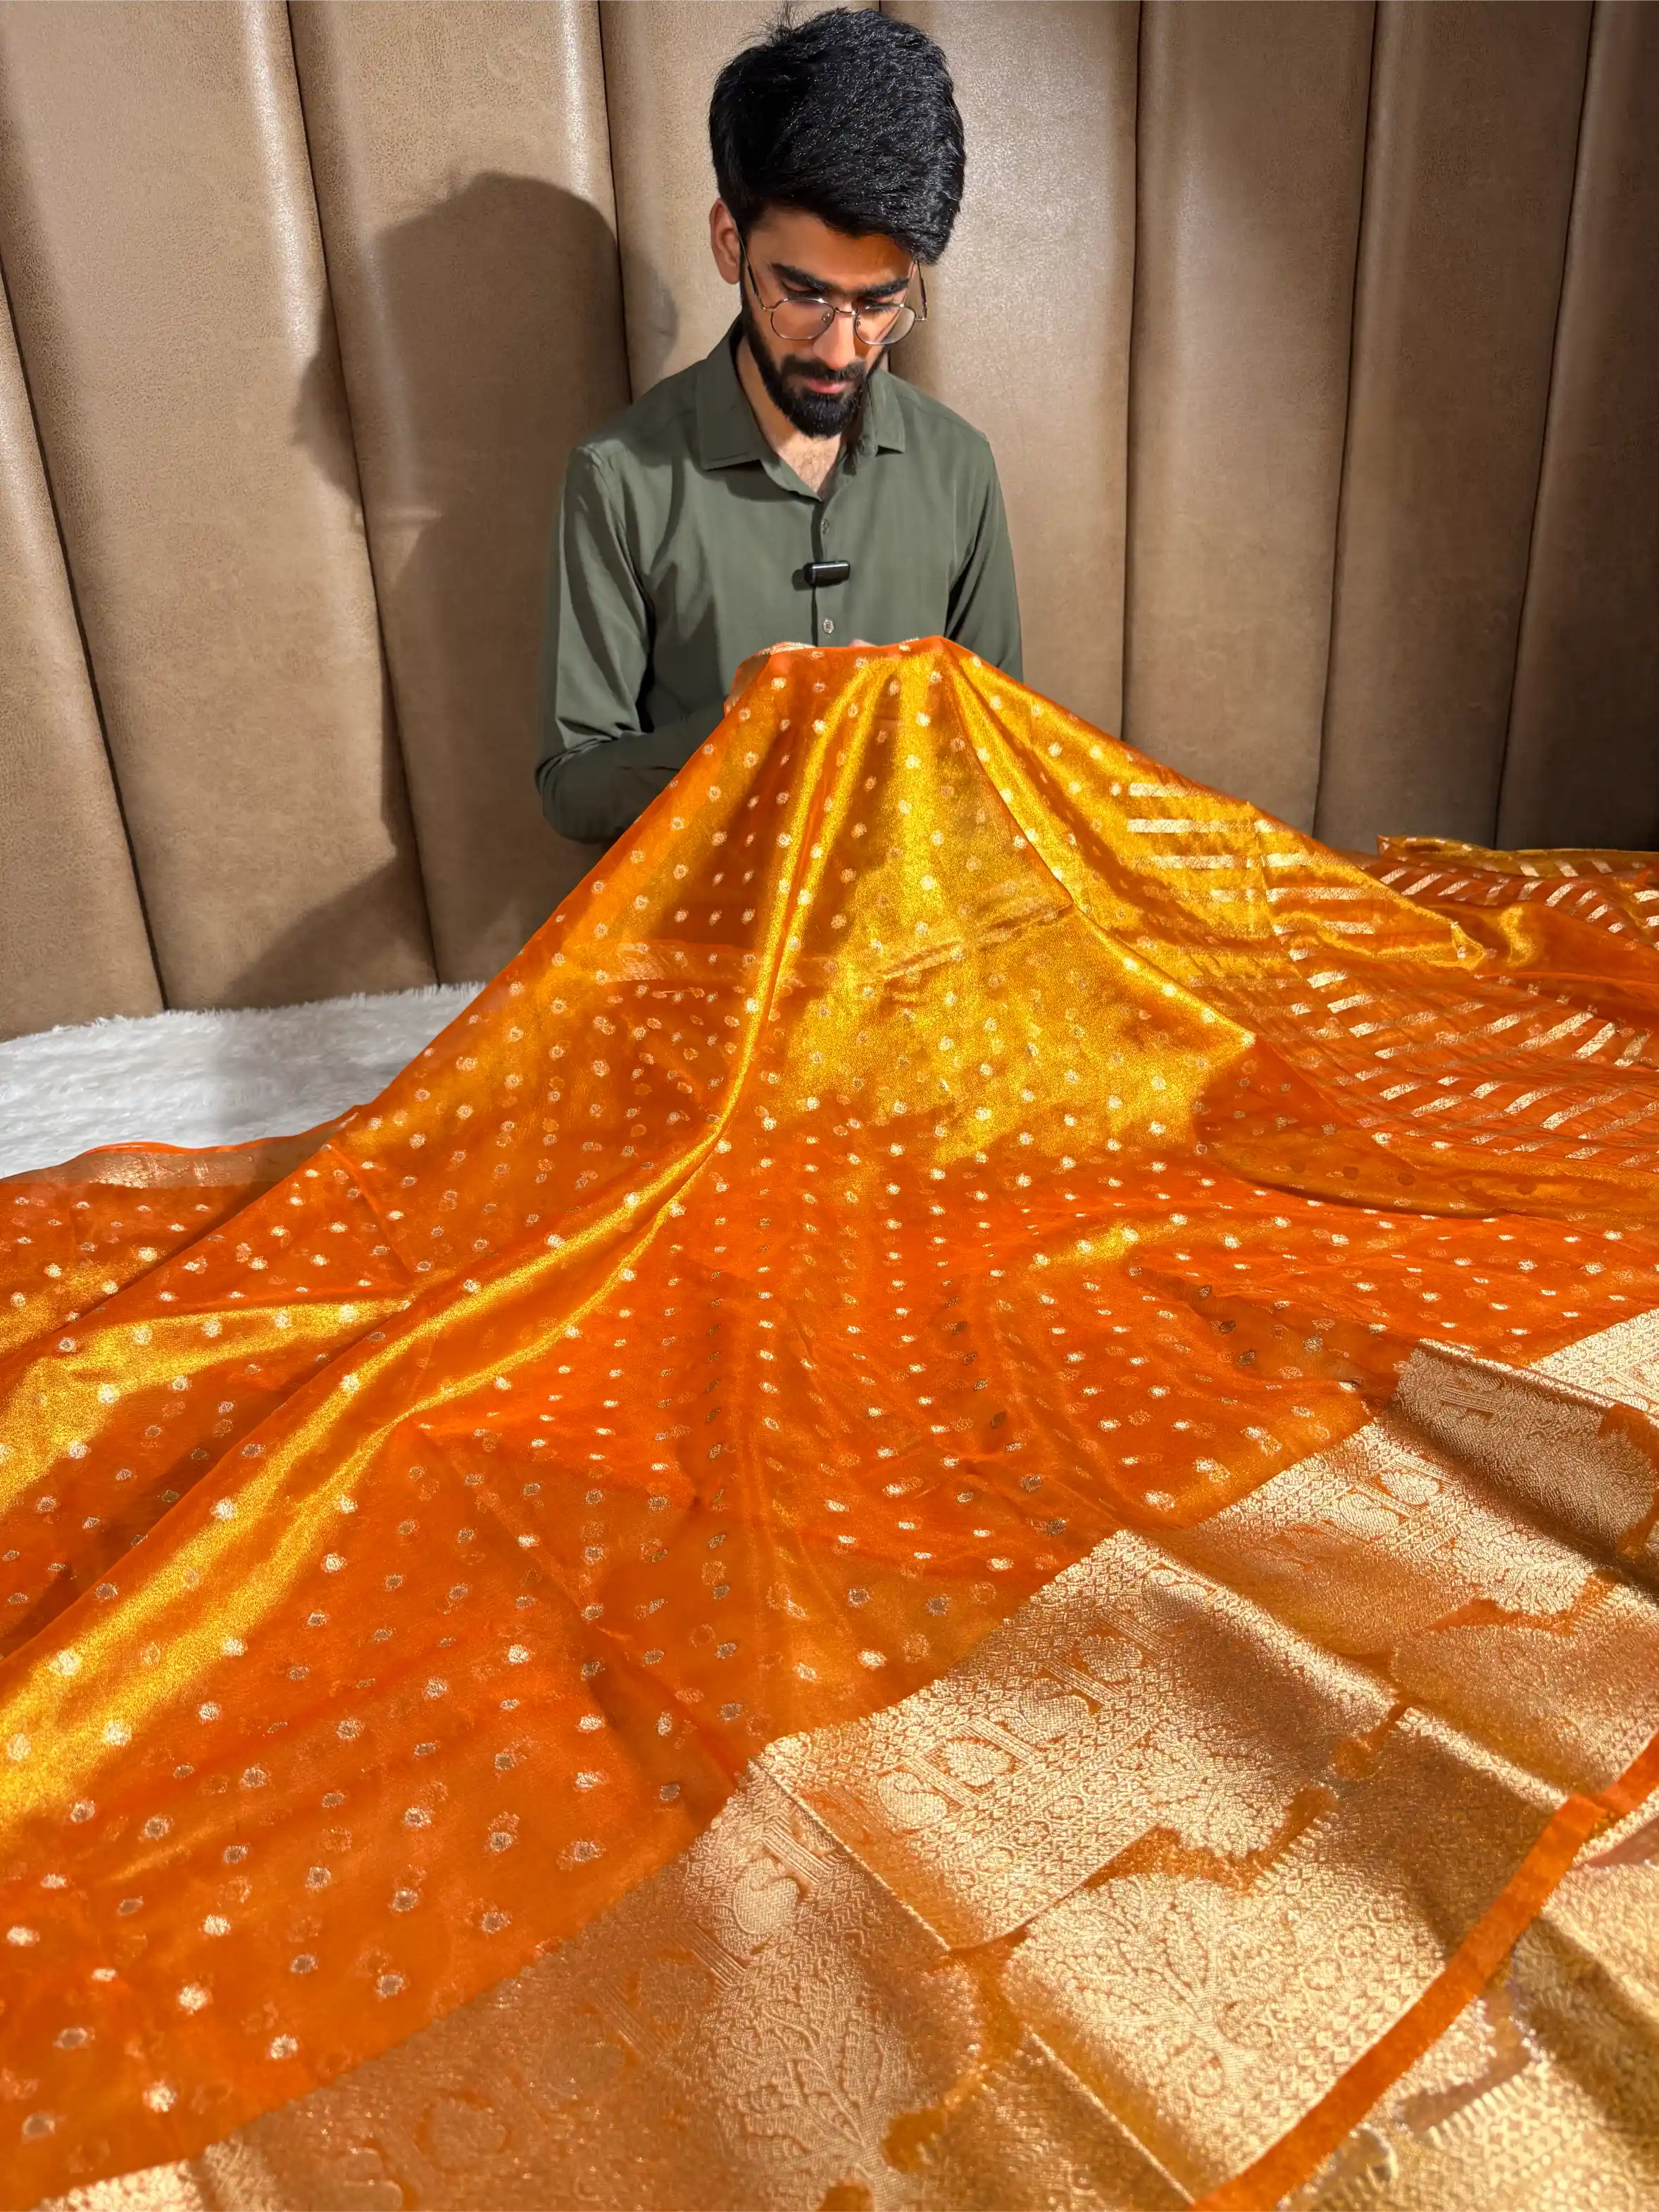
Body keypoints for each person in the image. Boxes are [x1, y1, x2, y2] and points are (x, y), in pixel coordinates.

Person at [536, 8, 1022, 848]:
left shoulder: (959, 465)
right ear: (731, 243)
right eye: (802, 296)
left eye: (878, 305)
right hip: (716, 911)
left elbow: (1000, 748)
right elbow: (572, 787)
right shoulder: (617, 479)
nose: (841, 349)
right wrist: (745, 725)